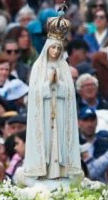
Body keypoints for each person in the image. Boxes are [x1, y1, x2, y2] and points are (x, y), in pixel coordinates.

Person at [21, 12, 82, 182]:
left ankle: (60, 170)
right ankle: (44, 169)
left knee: (59, 142)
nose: (55, 51)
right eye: (53, 47)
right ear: (47, 47)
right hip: (44, 114)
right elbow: (34, 94)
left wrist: (59, 85)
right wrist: (48, 84)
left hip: (60, 113)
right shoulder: (38, 67)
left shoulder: (64, 67)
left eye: (58, 48)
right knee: (47, 142)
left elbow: (69, 94)